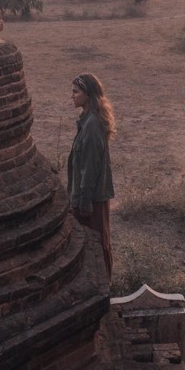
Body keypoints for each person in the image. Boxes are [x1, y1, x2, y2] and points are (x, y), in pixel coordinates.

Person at [68, 73, 115, 281]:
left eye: (76, 92)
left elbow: (90, 169)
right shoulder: (86, 121)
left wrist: (84, 203)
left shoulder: (93, 125)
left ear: (87, 95)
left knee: (97, 243)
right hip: (84, 197)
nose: (72, 96)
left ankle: (102, 284)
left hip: (91, 200)